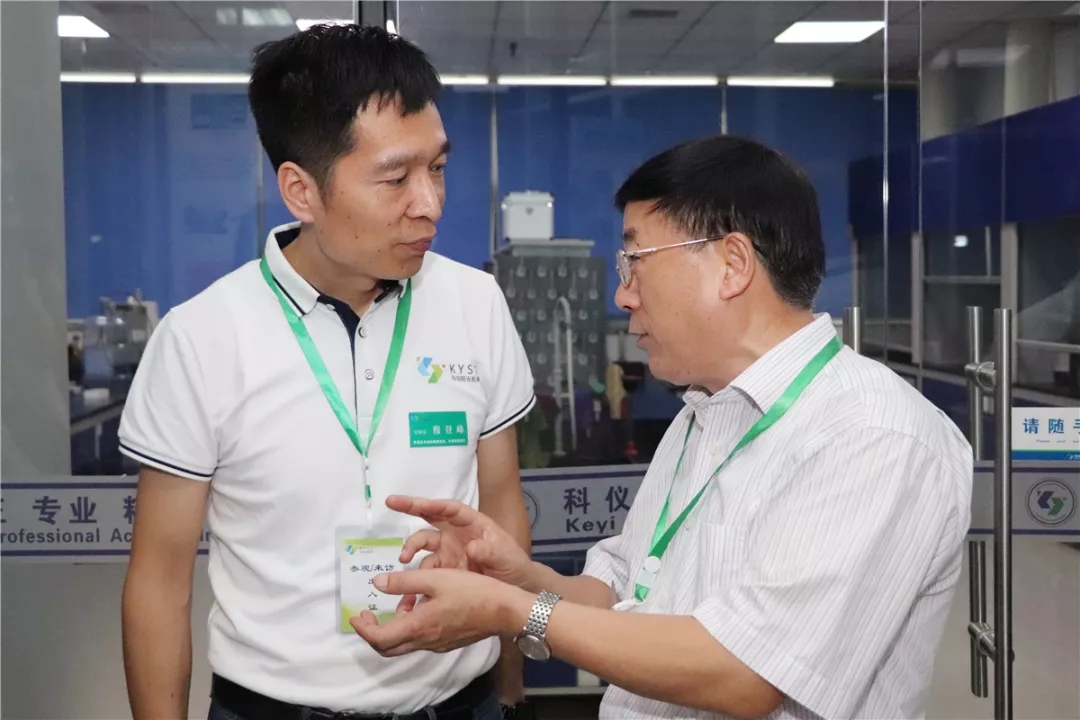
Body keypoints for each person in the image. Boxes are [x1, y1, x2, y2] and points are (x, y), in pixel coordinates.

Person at [351, 135, 974, 720]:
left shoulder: (870, 435)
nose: (622, 295)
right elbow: (628, 595)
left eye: (635, 261)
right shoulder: (704, 413)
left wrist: (510, 611)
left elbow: (745, 673)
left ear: (732, 264)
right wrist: (517, 578)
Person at [119, 24, 535, 720]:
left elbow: (501, 504)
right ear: (301, 191)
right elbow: (159, 583)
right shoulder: (202, 338)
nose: (429, 202)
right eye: (395, 178)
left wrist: (509, 679)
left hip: (460, 702)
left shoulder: (475, 303)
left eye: (437, 168)